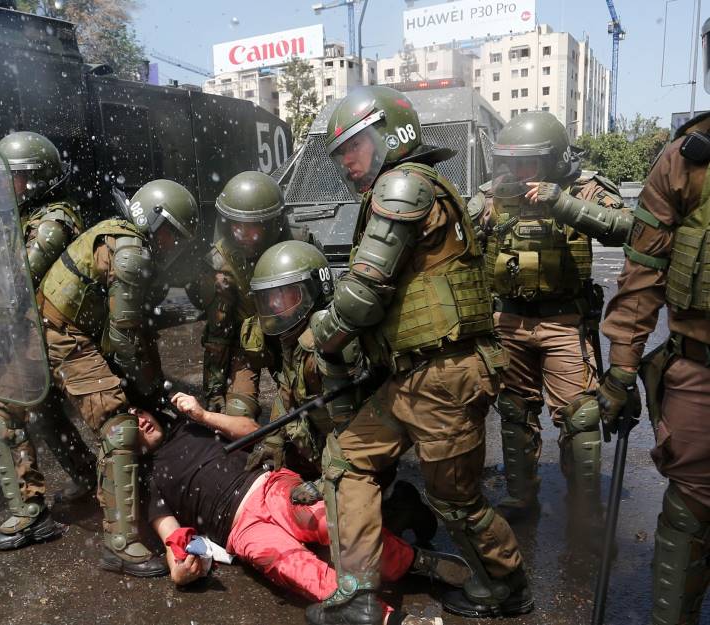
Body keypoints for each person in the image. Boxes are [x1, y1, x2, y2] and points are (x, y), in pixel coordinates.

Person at [303, 86, 531, 623]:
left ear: (391, 134)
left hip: (444, 375)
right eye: (340, 154)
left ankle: (506, 584)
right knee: (346, 460)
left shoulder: (403, 185)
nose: (347, 162)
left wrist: (321, 333)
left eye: (354, 146)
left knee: (455, 500)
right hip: (411, 376)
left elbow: (361, 296)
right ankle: (358, 594)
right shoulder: (402, 187)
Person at [0, 177, 199, 577]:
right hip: (64, 337)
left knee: (5, 411)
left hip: (39, 327)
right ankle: (122, 544)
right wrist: (149, 391)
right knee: (118, 428)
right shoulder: (133, 253)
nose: (171, 245)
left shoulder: (115, 233)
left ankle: (30, 512)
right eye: (171, 234)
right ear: (156, 221)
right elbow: (124, 338)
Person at [136, 403, 465, 625]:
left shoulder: (188, 425)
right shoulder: (150, 480)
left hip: (269, 486)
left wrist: (203, 414)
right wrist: (179, 572)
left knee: (329, 522)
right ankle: (390, 620)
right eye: (131, 424)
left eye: (139, 412)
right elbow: (171, 538)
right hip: (241, 529)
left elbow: (253, 429)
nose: (140, 420)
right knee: (299, 570)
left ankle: (415, 562)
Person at [596, 18, 710, 625]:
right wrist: (621, 371)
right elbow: (643, 273)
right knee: (690, 512)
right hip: (700, 370)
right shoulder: (688, 159)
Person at [467, 111, 632, 526]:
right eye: (513, 162)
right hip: (509, 321)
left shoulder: (583, 188)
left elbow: (626, 227)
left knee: (581, 417)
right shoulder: (492, 195)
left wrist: (562, 203)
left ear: (555, 159)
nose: (520, 171)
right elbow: (458, 242)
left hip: (564, 322)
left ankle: (585, 510)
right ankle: (521, 497)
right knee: (514, 411)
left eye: (531, 162)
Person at [0, 131, 96, 537]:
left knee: (4, 412)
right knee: (47, 414)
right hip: (40, 336)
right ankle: (88, 476)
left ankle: (29, 509)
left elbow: (20, 279)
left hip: (54, 336)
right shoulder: (30, 216)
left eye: (11, 178)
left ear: (35, 178)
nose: (5, 187)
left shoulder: (52, 223)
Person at [197, 171, 315, 420]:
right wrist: (214, 389)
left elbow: (319, 311)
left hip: (291, 342)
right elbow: (218, 334)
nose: (242, 234)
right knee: (237, 414)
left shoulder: (300, 247)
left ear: (271, 224)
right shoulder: (221, 265)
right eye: (236, 225)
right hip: (246, 344)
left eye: (251, 226)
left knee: (307, 411)